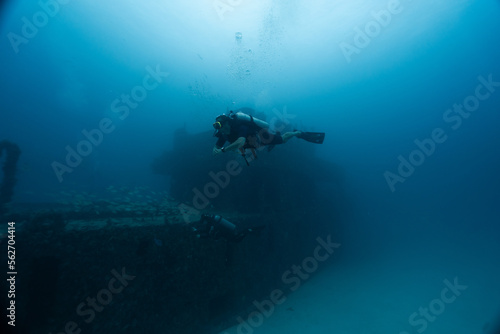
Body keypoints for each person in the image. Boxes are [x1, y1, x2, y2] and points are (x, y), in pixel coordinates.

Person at [212, 110, 325, 163]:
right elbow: (215, 148)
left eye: (220, 125)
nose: (219, 128)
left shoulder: (240, 127)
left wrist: (222, 150)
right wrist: (216, 150)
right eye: (217, 126)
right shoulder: (223, 134)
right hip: (250, 145)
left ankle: (297, 133)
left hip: (261, 137)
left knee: (283, 139)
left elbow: (240, 142)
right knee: (238, 149)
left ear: (227, 123)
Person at [191, 214, 265, 243]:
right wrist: (197, 232)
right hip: (228, 233)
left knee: (237, 239)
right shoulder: (211, 223)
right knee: (238, 238)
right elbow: (206, 231)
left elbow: (209, 234)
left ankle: (251, 230)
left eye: (202, 221)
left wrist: (200, 236)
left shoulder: (212, 225)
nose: (203, 223)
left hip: (230, 234)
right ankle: (253, 231)